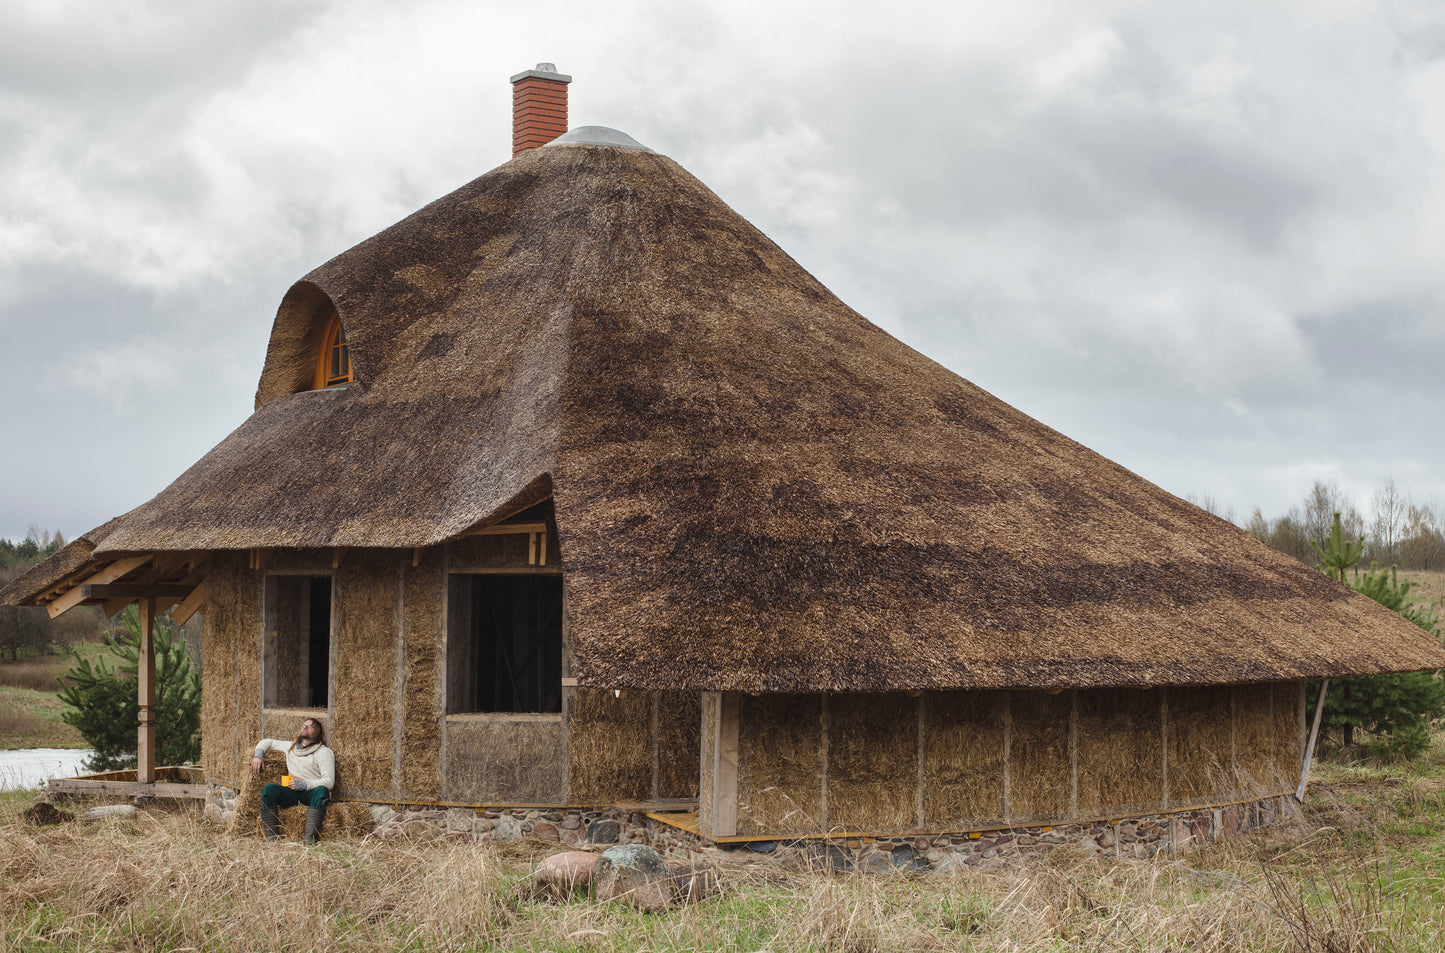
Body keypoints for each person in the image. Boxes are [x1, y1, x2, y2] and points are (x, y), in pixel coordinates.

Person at [251, 717, 335, 845]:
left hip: (311, 793)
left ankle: (308, 841)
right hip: (293, 792)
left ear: (316, 732)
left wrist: (305, 784)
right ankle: (272, 840)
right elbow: (268, 742)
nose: (305, 727)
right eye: (304, 725)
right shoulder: (291, 747)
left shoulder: (323, 752)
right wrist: (258, 756)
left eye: (310, 726)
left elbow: (329, 781)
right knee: (269, 790)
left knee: (322, 791)